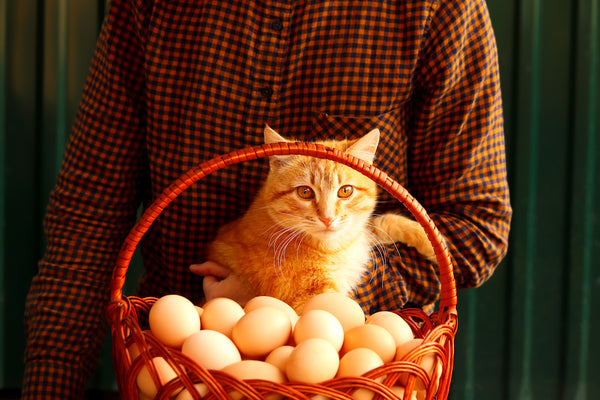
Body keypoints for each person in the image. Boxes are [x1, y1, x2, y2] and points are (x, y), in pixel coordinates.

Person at [22, 0, 512, 398]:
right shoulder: (154, 7)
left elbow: (478, 229)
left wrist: (302, 285)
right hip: (187, 358)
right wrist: (50, 384)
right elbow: (89, 209)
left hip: (359, 372)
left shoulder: (438, 7)